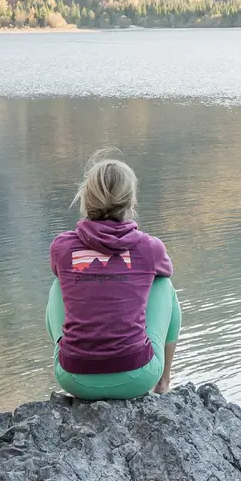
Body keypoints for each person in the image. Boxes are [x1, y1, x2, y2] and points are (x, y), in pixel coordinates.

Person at [46, 151, 180, 399]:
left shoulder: (62, 247)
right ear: (130, 202)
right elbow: (164, 272)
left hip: (73, 378)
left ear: (86, 198)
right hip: (138, 377)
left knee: (59, 283)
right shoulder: (150, 248)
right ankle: (162, 383)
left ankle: (73, 354)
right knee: (164, 283)